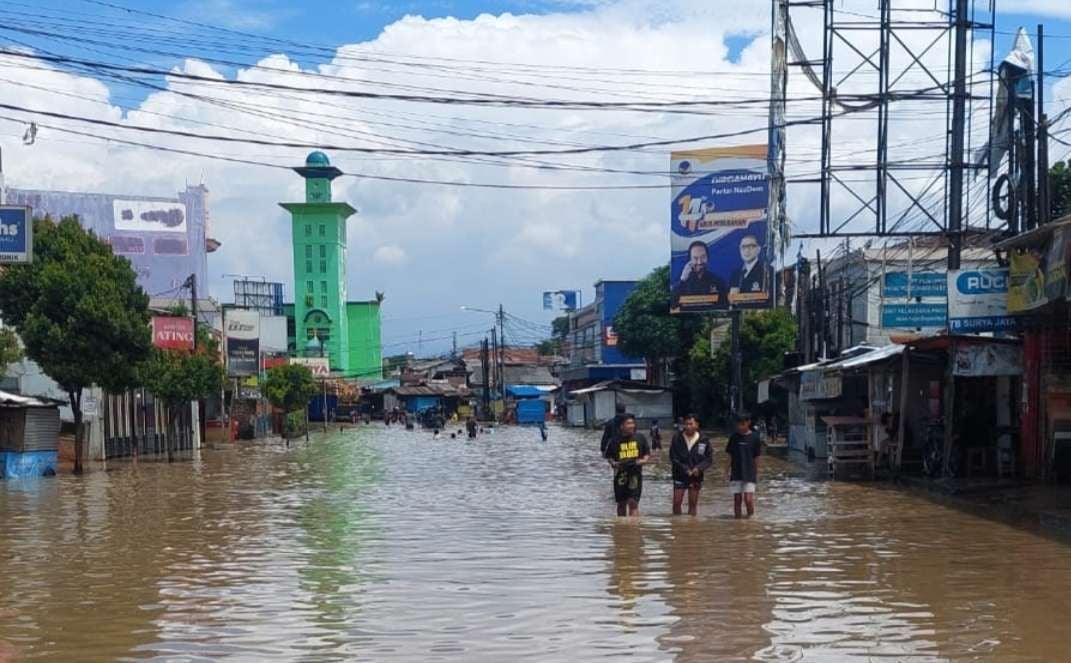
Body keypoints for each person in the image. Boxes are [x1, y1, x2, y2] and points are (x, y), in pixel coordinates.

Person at [603, 415, 652, 517]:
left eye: (633, 423)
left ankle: (633, 529)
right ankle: (622, 529)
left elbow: (647, 453)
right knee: (621, 503)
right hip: (620, 475)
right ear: (621, 426)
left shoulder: (640, 438)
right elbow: (609, 456)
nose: (631, 426)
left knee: (633, 503)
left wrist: (643, 460)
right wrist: (613, 463)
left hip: (635, 474)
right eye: (628, 423)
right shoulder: (614, 440)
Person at [669, 414, 713, 516]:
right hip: (679, 474)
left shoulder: (704, 439)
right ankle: (677, 526)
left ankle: (692, 527)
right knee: (676, 503)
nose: (688, 426)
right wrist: (685, 469)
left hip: (696, 476)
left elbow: (709, 458)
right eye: (686, 424)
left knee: (693, 504)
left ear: (697, 425)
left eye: (691, 424)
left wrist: (699, 468)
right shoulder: (677, 438)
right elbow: (673, 457)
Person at [672, 241, 728, 310]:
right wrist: (682, 280)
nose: (699, 262)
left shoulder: (718, 281)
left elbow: (725, 306)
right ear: (689, 260)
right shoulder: (681, 280)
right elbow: (672, 304)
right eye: (695, 258)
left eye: (703, 257)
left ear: (708, 258)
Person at [726, 413, 762, 519]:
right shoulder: (734, 437)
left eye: (742, 424)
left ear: (748, 423)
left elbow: (757, 457)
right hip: (736, 472)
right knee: (737, 500)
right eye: (738, 424)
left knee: (748, 499)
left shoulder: (755, 438)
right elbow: (729, 455)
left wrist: (757, 472)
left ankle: (751, 519)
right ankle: (738, 521)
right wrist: (726, 471)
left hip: (750, 472)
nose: (740, 427)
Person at [728, 234, 772, 304]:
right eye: (743, 247)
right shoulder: (735, 274)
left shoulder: (767, 271)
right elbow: (729, 300)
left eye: (751, 246)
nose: (747, 250)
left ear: (758, 249)